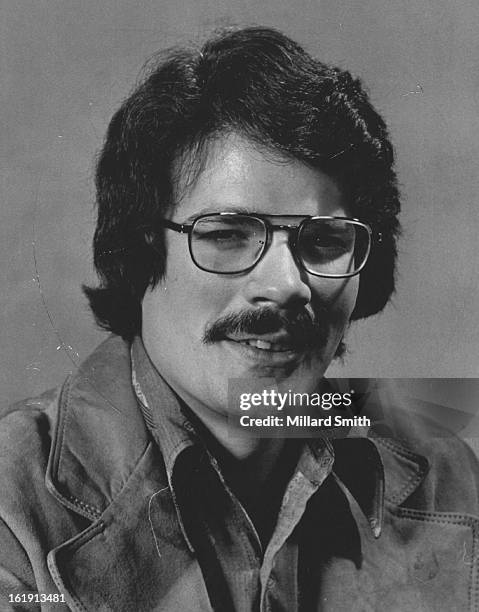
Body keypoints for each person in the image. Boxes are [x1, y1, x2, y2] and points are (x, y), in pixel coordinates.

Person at [1, 26, 478, 612]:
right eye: (227, 235)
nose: (286, 285)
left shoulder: (453, 476)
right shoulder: (11, 502)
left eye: (324, 241)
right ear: (140, 249)